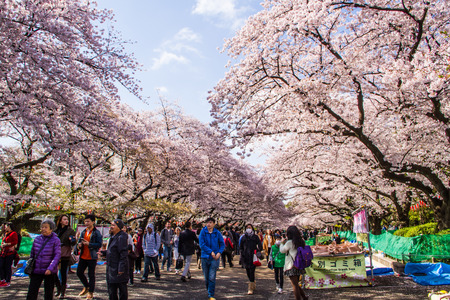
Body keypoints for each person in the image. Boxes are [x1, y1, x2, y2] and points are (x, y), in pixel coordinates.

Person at [26, 219, 61, 300]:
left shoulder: (56, 240)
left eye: (46, 227)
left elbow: (57, 255)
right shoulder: (37, 239)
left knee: (48, 293)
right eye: (42, 227)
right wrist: (30, 266)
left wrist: (50, 268)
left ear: (51, 229)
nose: (43, 229)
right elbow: (32, 254)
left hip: (49, 271)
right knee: (31, 292)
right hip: (36, 269)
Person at [76, 215, 103, 300]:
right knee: (79, 272)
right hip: (83, 256)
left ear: (93, 222)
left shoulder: (96, 232)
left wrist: (89, 244)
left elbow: (99, 244)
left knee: (91, 275)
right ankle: (86, 286)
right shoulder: (84, 231)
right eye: (85, 221)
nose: (86, 223)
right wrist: (79, 245)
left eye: (88, 221)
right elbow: (80, 241)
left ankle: (90, 292)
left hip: (92, 257)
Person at [198, 217, 225, 300]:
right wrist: (210, 252)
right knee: (206, 278)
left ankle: (211, 295)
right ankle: (209, 290)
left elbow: (222, 244)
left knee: (212, 277)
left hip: (214, 258)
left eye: (210, 222)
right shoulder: (203, 232)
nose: (208, 224)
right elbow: (202, 244)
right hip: (205, 257)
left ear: (214, 224)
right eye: (207, 223)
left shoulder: (217, 233)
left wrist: (219, 253)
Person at [280, 226, 308, 300]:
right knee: (296, 284)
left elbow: (282, 250)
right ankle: (304, 297)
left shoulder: (289, 242)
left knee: (294, 285)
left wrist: (282, 243)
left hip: (291, 265)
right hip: (299, 265)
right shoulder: (301, 241)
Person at [106, 220, 129, 300]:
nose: (111, 227)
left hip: (118, 268)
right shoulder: (113, 237)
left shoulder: (121, 237)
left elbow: (123, 254)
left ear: (119, 227)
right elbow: (112, 251)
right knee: (111, 291)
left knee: (121, 290)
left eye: (113, 225)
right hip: (111, 268)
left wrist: (121, 268)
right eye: (111, 225)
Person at [54, 214, 76, 298]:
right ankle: (58, 288)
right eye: (64, 219)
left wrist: (72, 240)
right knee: (53, 272)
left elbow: (73, 242)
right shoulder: (56, 231)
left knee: (63, 272)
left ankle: (62, 291)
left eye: (67, 219)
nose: (66, 221)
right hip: (56, 252)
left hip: (65, 252)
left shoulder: (70, 230)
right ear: (60, 221)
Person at [239, 224, 262, 295]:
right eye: (247, 228)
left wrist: (257, 251)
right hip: (245, 256)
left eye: (250, 227)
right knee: (248, 271)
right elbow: (240, 247)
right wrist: (242, 253)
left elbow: (260, 245)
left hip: (253, 256)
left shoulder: (255, 237)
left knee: (252, 270)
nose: (248, 229)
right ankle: (252, 281)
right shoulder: (243, 237)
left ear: (252, 228)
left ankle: (250, 287)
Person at [0, 222, 19, 287]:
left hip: (9, 253)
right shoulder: (5, 234)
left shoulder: (13, 233)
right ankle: (2, 279)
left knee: (7, 267)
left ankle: (7, 281)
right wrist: (2, 245)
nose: (5, 228)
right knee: (1, 265)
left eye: (6, 226)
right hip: (3, 252)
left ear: (9, 226)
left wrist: (7, 244)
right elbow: (3, 241)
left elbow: (15, 242)